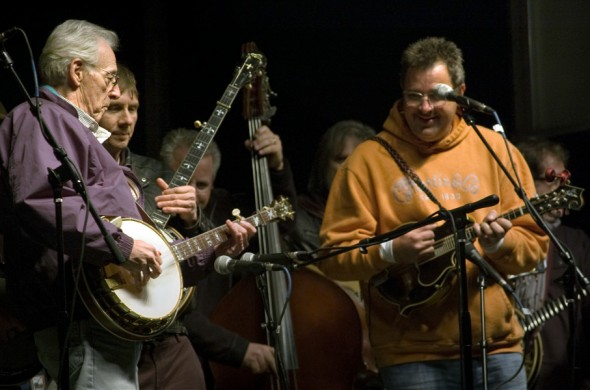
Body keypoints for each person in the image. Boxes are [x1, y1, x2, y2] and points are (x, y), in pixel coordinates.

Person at [0, 20, 252, 390]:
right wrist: (123, 245)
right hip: (84, 318)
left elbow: (151, 247)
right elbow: (41, 199)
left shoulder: (83, 140)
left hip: (107, 318)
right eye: (110, 76)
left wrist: (214, 250)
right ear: (77, 71)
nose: (115, 88)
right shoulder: (42, 117)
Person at [317, 36, 549, 389]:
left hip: (496, 349)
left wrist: (501, 244)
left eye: (438, 95)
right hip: (411, 356)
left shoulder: (496, 149)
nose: (424, 107)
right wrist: (391, 251)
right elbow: (333, 257)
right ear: (402, 93)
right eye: (414, 95)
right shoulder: (367, 161)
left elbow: (534, 248)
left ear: (460, 93)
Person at [98, 64, 267, 389]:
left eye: (133, 109)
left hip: (170, 333)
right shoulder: (86, 173)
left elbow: (184, 250)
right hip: (109, 328)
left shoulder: (153, 174)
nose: (127, 119)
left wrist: (196, 221)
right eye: (115, 108)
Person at [160, 126, 290, 388]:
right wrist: (237, 348)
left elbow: (283, 224)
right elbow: (176, 309)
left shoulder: (227, 212)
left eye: (202, 185)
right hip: (177, 359)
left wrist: (277, 168)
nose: (192, 194)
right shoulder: (153, 225)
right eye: (184, 181)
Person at [513, 137, 590, 389]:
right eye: (551, 179)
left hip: (559, 375)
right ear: (525, 181)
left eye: (564, 179)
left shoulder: (576, 242)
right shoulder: (504, 237)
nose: (561, 188)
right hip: (508, 368)